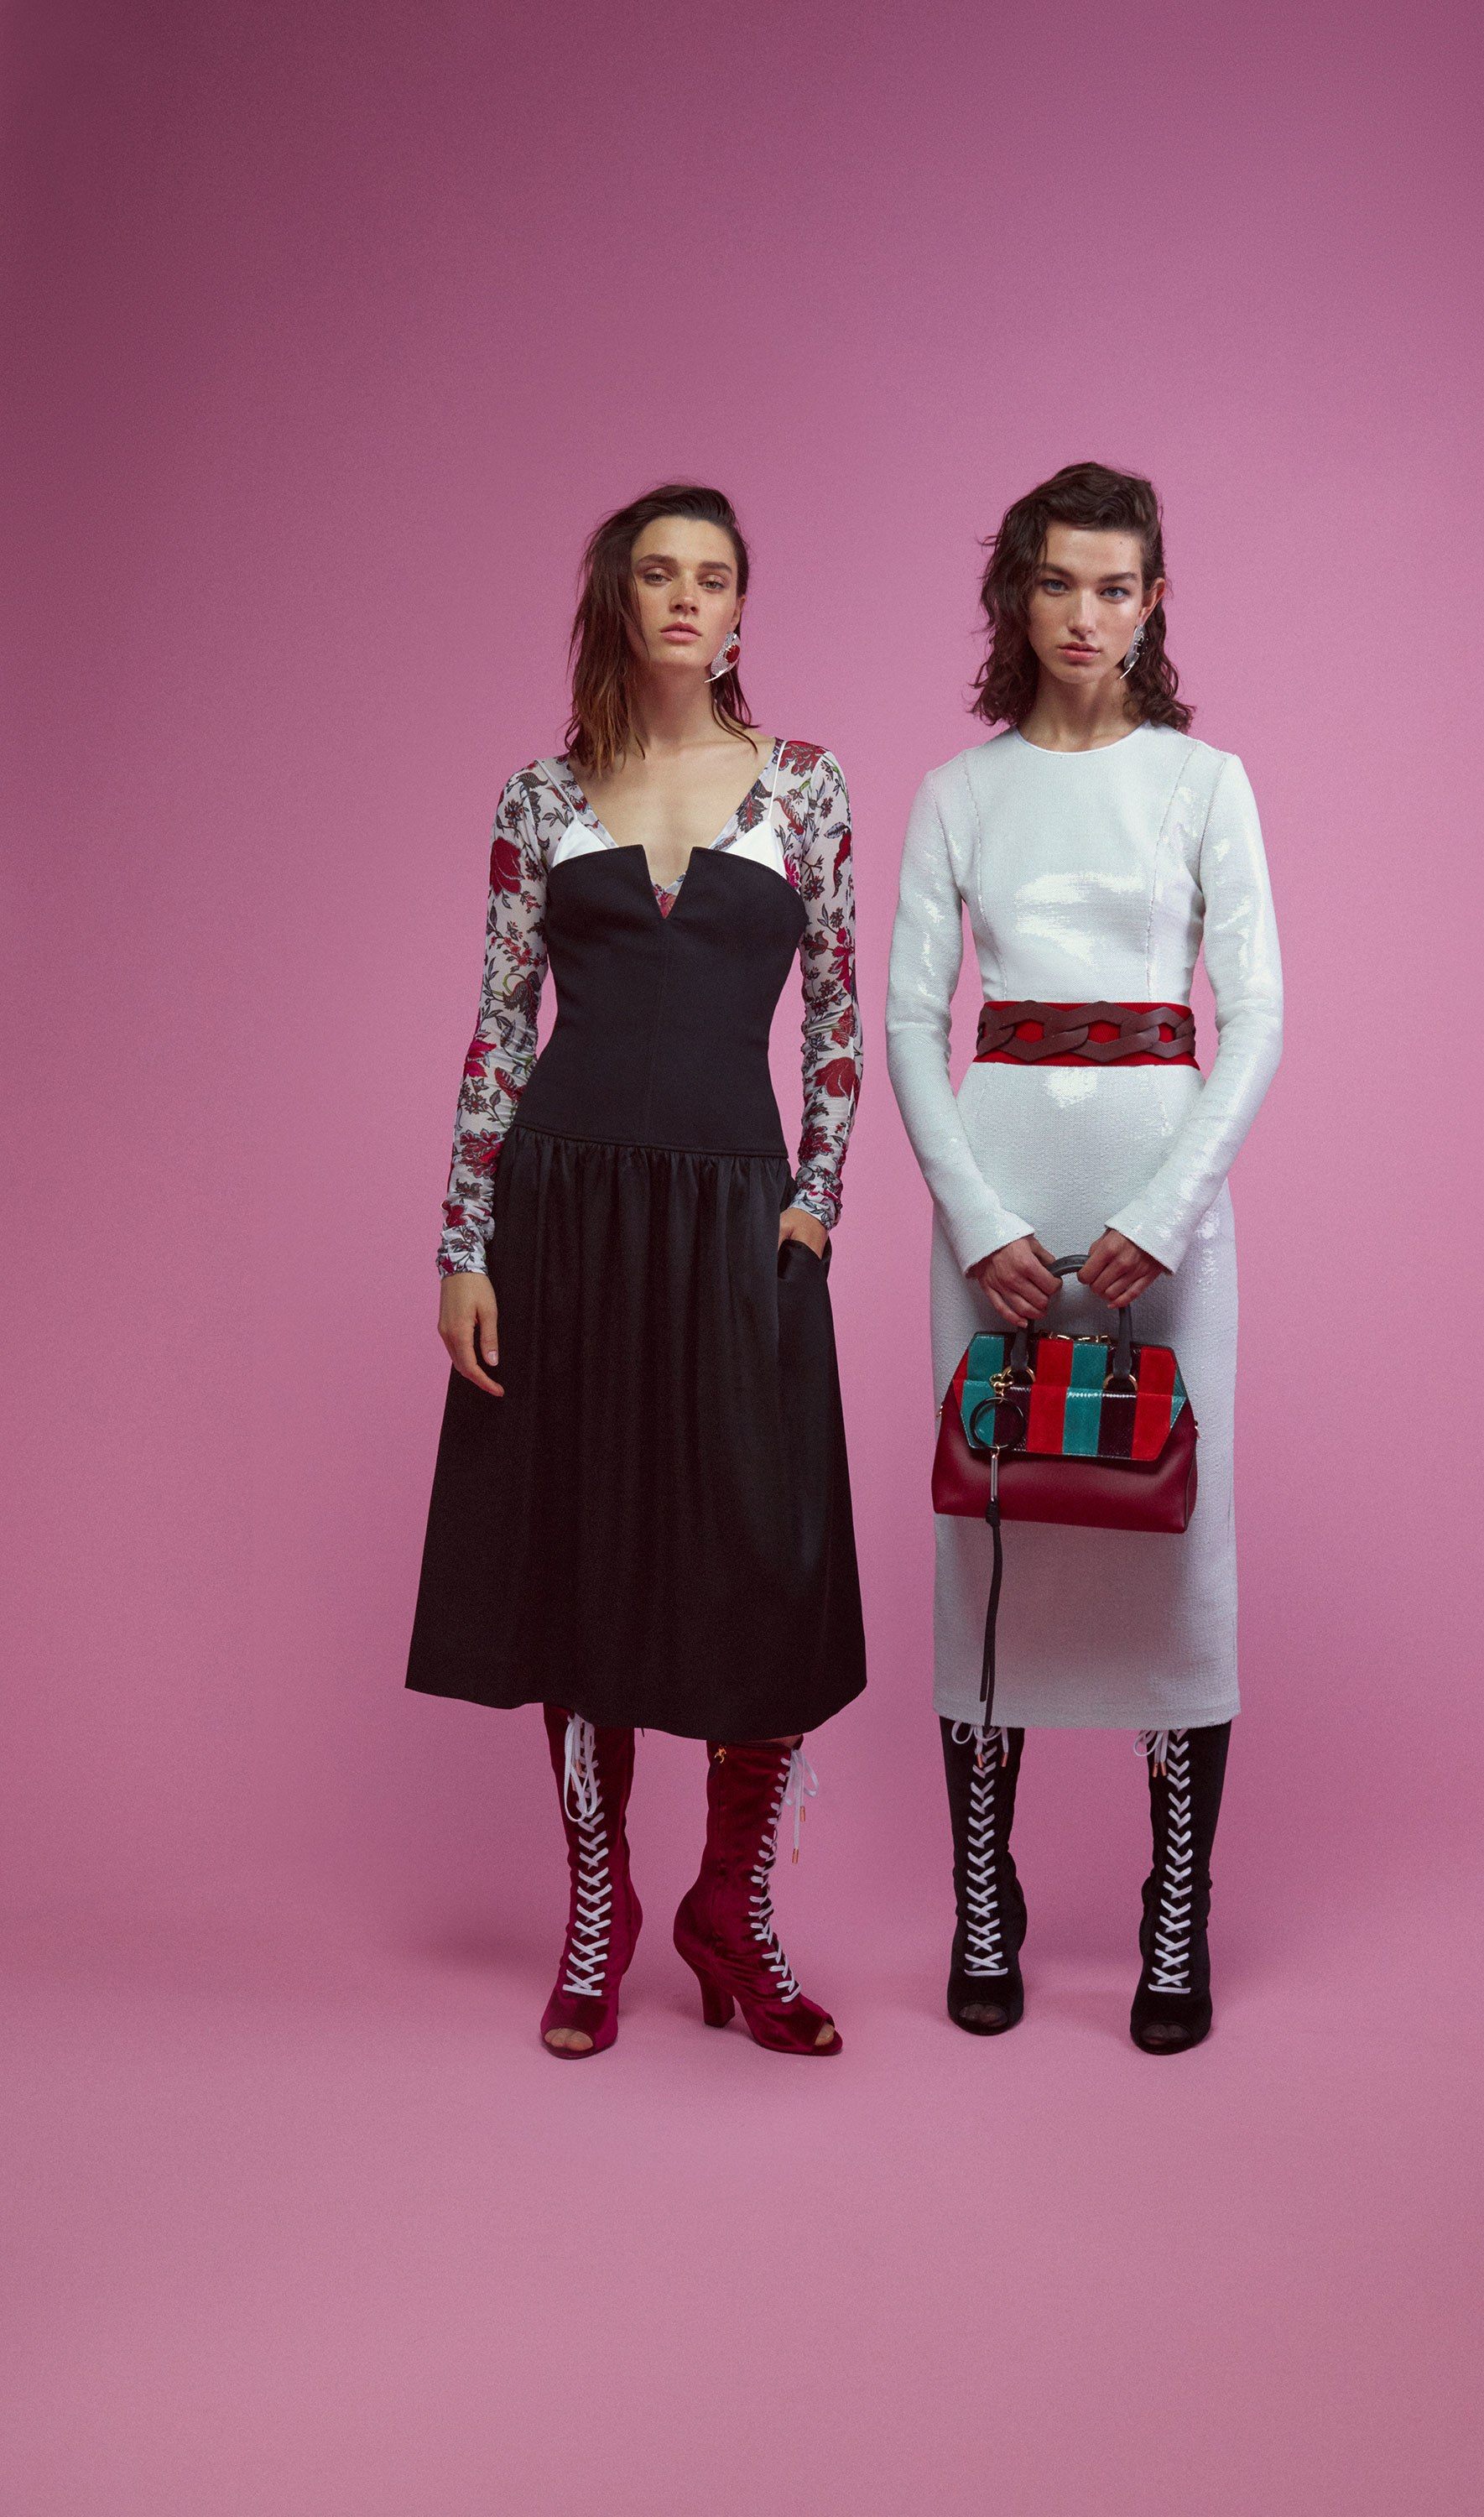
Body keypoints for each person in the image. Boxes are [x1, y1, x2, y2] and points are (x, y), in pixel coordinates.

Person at [408, 482, 865, 2059]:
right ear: (619, 599)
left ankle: (731, 1906)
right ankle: (596, 1909)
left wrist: (814, 1203)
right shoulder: (539, 797)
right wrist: (464, 1246)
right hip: (568, 1211)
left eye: (713, 577)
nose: (686, 597)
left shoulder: (806, 786)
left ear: (741, 611)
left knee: (767, 1562)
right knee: (586, 1560)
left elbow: (839, 1019)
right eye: (659, 573)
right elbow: (497, 1028)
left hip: (739, 1215)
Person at [885, 461, 1282, 2052]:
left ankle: (1176, 1903)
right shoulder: (957, 793)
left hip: (1159, 1205)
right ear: (1018, 593)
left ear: (1153, 603)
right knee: (987, 1527)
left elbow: (1258, 1018)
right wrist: (978, 1219)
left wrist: (1164, 1212)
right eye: (1058, 581)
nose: (1085, 615)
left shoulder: (1207, 782)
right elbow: (911, 1024)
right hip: (994, 1203)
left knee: (1176, 1538)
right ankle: (984, 1889)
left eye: (1116, 588)